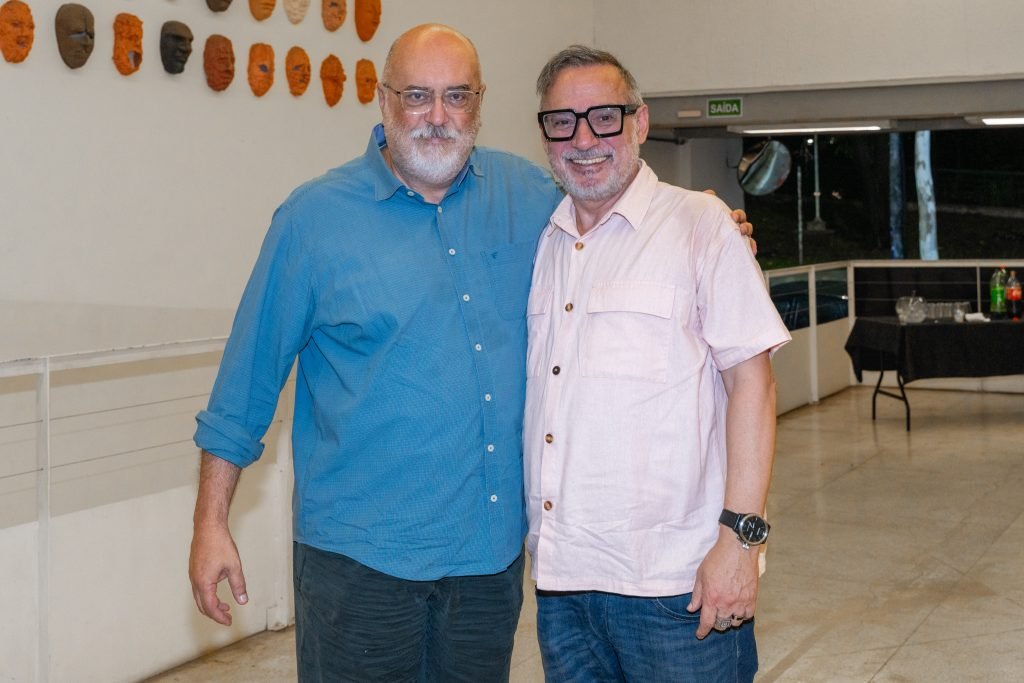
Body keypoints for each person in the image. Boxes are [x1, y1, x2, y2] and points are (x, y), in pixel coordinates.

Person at [189, 24, 753, 682]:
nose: (437, 116)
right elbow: (244, 388)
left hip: (487, 568)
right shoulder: (312, 221)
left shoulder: (531, 198)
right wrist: (210, 523)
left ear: (479, 104)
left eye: (457, 96)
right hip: (359, 567)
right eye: (417, 96)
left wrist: (702, 217)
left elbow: (613, 205)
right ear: (383, 100)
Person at [524, 45, 790, 682]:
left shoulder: (700, 225)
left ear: (639, 122)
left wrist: (740, 541)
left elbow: (753, 385)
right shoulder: (545, 242)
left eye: (604, 117)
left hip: (678, 587)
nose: (583, 139)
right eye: (562, 121)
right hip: (563, 590)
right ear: (545, 134)